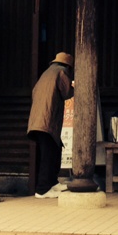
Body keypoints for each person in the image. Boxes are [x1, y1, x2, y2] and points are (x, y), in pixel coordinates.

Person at [27, 52, 75, 198]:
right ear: (67, 66)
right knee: (48, 155)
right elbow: (67, 92)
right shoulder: (61, 72)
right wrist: (74, 85)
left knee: (54, 150)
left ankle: (52, 183)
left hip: (38, 120)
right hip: (47, 121)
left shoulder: (46, 73)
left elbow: (34, 92)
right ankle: (42, 190)